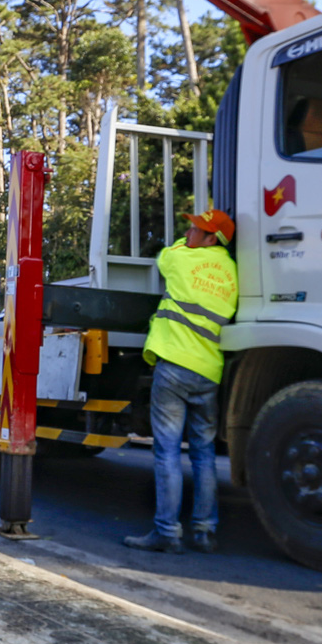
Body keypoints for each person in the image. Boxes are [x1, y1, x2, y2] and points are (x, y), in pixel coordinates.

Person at [126, 208, 238, 555]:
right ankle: (205, 532)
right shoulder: (232, 271)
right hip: (208, 372)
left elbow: (165, 255)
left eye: (196, 229)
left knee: (168, 453)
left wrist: (186, 245)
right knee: (204, 456)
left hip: (174, 365)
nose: (188, 232)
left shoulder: (181, 259)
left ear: (211, 238)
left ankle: (167, 532)